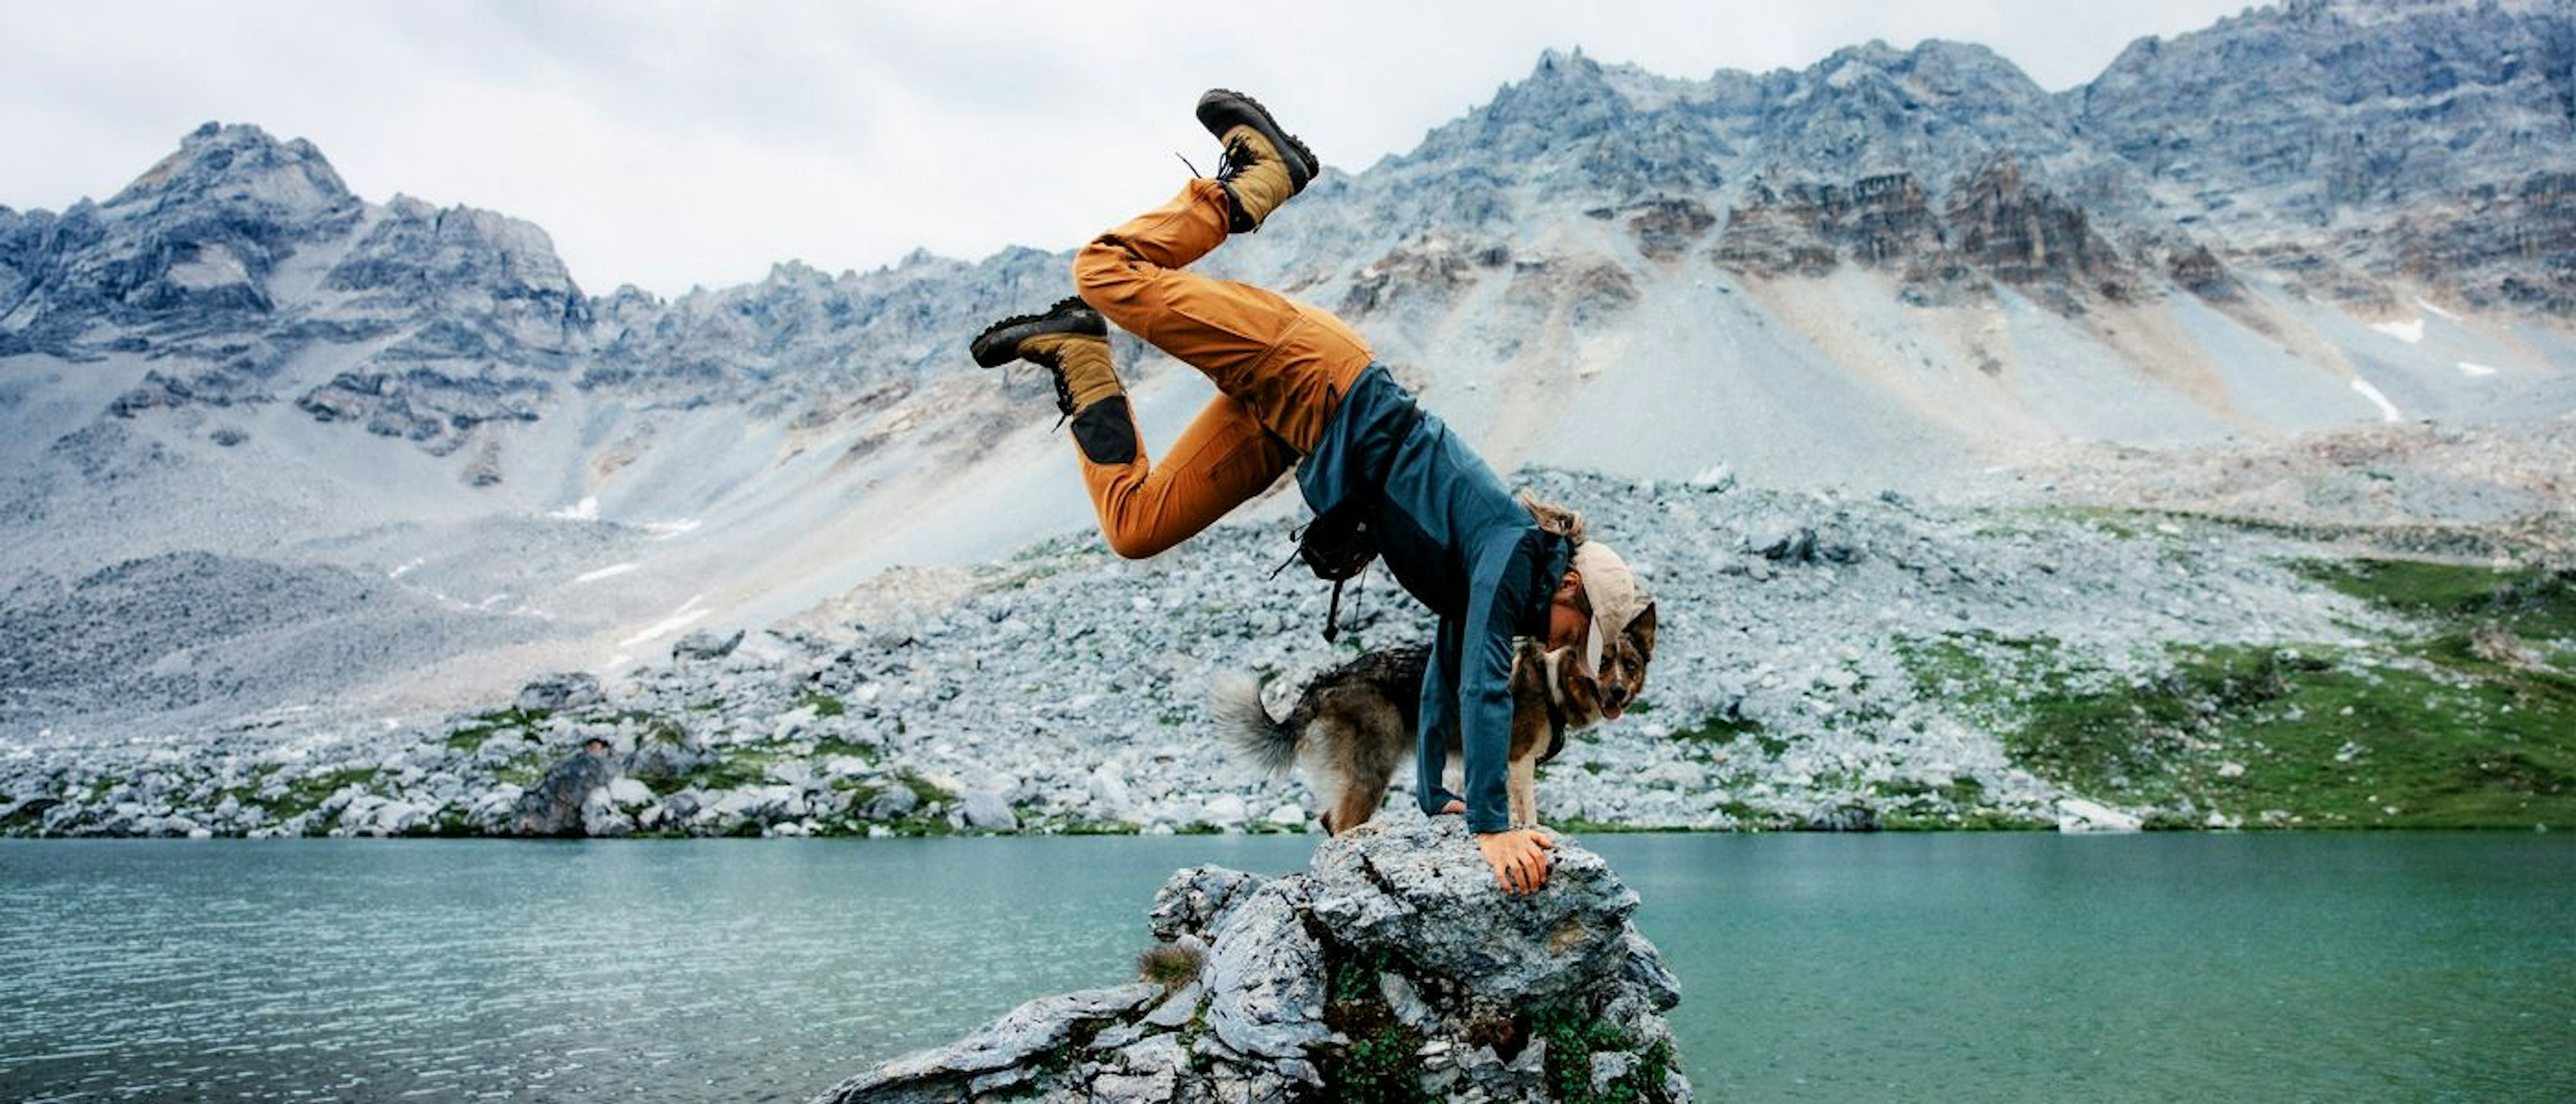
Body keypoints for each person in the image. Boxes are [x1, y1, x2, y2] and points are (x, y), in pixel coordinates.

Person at [972, 90, 1650, 895]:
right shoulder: (1512, 549)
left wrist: (1441, 796)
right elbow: (1478, 686)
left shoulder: (1496, 582)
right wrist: (1496, 829)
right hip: (1318, 372)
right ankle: (1263, 175)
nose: (1570, 646)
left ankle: (1081, 356)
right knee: (1105, 268)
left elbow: (1445, 678)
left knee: (1136, 525)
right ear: (1574, 585)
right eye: (1581, 630)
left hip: (1298, 427)